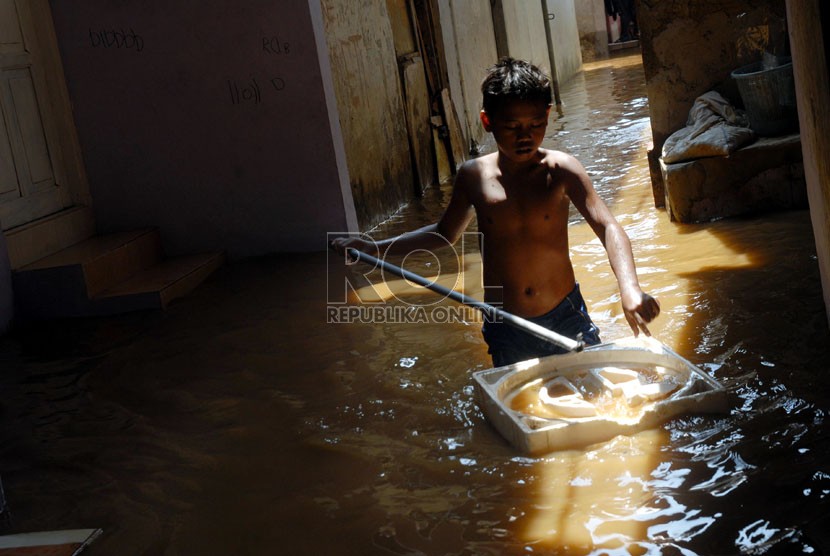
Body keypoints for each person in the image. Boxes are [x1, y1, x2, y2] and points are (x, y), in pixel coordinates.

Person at [332, 57, 660, 367]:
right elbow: (443, 234)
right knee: (526, 407)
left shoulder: (562, 171)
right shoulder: (473, 177)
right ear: (487, 122)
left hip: (565, 314)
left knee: (596, 393)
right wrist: (372, 248)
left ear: (547, 116)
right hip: (505, 322)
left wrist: (629, 288)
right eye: (512, 126)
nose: (525, 136)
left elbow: (608, 227)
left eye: (535, 124)